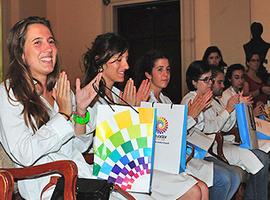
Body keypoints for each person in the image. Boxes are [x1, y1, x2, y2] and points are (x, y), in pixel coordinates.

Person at [82, 34, 204, 200]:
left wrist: (134, 110)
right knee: (193, 191)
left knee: (198, 188)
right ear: (100, 61)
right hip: (112, 170)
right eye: (119, 60)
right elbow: (94, 143)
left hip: (133, 164)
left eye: (126, 59)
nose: (126, 65)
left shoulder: (119, 94)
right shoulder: (89, 96)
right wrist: (128, 112)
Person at [0, 16, 103, 199]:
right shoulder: (8, 93)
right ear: (21, 54)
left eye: (51, 41)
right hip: (47, 186)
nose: (48, 48)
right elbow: (24, 154)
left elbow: (77, 147)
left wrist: (80, 111)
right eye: (37, 42)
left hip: (81, 179)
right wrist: (63, 115)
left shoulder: (61, 89)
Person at [135, 49, 210, 200]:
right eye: (160, 70)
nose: (166, 75)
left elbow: (177, 135)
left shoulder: (166, 100)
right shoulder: (142, 101)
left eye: (168, 70)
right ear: (148, 74)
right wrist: (190, 117)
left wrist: (192, 117)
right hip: (153, 163)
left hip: (169, 160)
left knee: (203, 187)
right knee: (196, 190)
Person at [181, 61, 241, 200]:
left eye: (210, 80)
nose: (209, 84)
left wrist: (230, 109)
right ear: (194, 82)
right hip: (193, 153)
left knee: (235, 177)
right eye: (205, 80)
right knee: (224, 179)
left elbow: (221, 126)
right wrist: (228, 109)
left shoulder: (207, 98)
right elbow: (209, 127)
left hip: (205, 149)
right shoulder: (190, 101)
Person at [210, 67, 270, 200]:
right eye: (236, 77)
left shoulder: (219, 99)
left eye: (242, 77)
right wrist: (235, 109)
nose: (222, 85)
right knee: (262, 158)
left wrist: (240, 108)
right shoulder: (224, 96)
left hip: (232, 139)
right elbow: (218, 127)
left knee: (265, 153)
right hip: (219, 144)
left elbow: (228, 123)